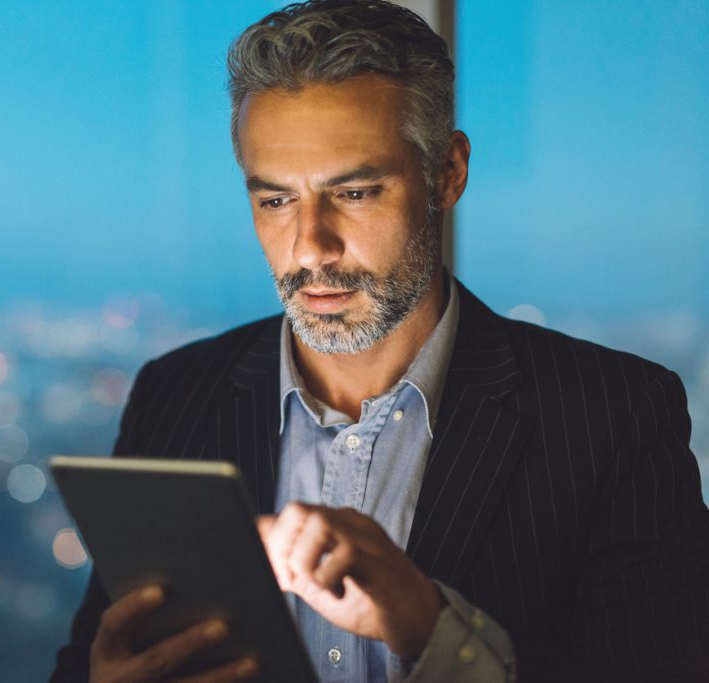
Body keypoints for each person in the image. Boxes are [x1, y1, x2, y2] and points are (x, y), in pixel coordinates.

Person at [50, 1, 709, 681]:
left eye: (356, 191)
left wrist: (430, 630)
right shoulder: (174, 395)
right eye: (275, 200)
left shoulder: (613, 417)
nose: (310, 246)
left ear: (448, 173)